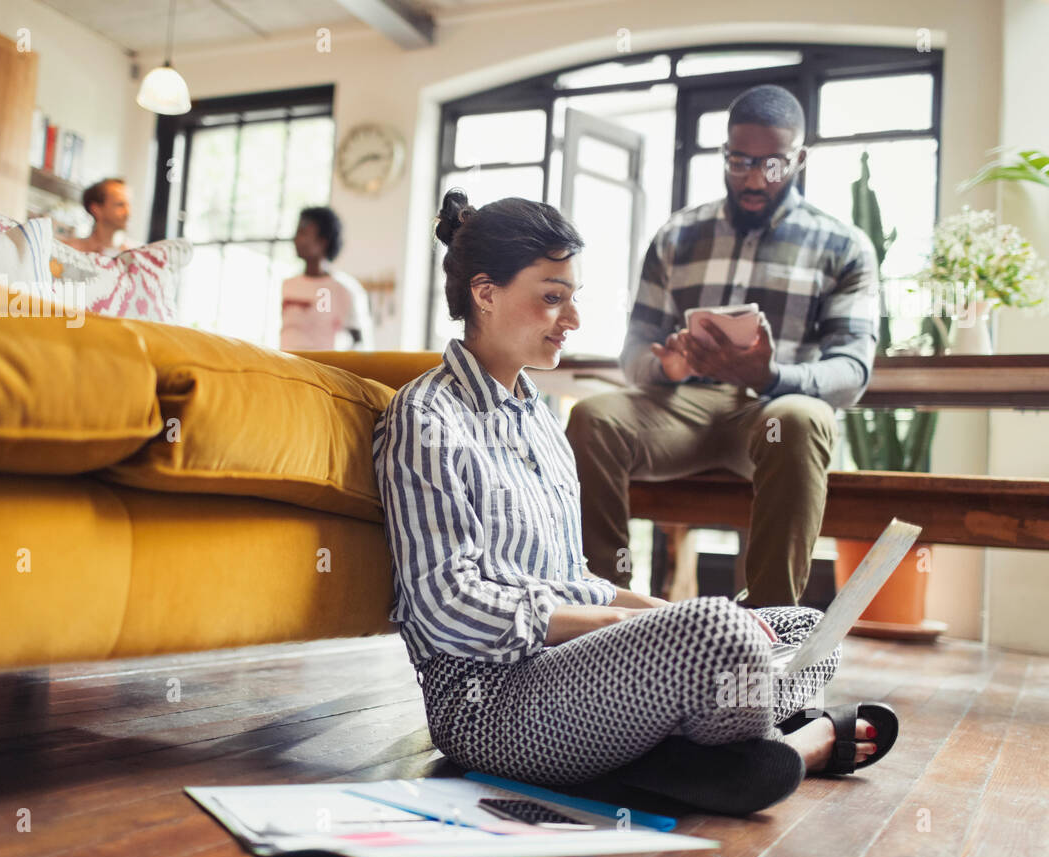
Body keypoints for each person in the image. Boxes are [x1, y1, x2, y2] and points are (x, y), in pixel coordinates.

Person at [371, 186, 888, 813]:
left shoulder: (539, 418)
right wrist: (629, 624)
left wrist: (652, 611)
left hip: (579, 674)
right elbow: (445, 605)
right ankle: (777, 743)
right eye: (553, 298)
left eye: (574, 299)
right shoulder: (425, 419)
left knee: (807, 628)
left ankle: (707, 754)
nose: (573, 319)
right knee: (719, 634)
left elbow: (573, 579)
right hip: (490, 704)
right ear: (485, 293)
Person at [564, 84, 880, 608]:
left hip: (775, 410)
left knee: (800, 420)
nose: (755, 178)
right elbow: (634, 349)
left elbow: (851, 369)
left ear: (799, 159)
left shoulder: (844, 246)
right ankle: (604, 613)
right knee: (594, 417)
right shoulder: (677, 236)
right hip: (683, 409)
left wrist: (771, 375)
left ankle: (771, 626)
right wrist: (666, 366)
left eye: (773, 164)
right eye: (739, 161)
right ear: (725, 155)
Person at [280, 207, 371, 351]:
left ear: (323, 242)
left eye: (303, 233)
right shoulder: (287, 285)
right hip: (286, 367)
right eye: (297, 233)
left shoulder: (344, 289)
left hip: (321, 369)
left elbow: (360, 342)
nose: (296, 239)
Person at [63, 178, 132, 256]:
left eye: (128, 205)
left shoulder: (128, 259)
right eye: (120, 205)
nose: (128, 213)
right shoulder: (67, 251)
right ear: (96, 209)